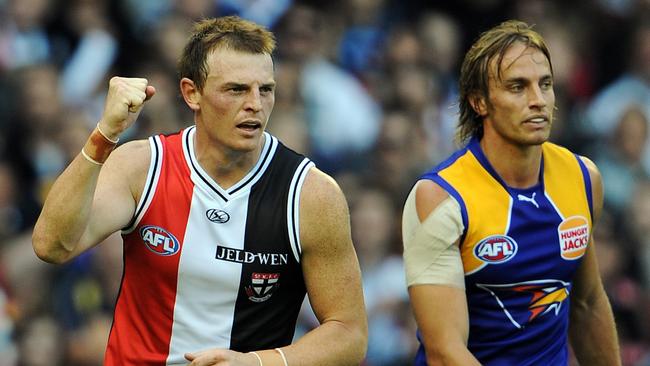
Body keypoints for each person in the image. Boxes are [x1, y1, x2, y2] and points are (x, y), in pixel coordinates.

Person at [32, 16, 367, 366]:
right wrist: (104, 134)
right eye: (236, 89)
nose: (255, 103)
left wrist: (257, 363)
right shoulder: (143, 167)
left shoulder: (309, 194)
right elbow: (52, 245)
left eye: (265, 89)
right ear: (192, 93)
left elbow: (349, 334)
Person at [402, 20, 620, 365]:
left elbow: (587, 303)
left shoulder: (583, 176)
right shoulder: (439, 198)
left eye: (545, 85)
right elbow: (445, 352)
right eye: (518, 87)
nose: (538, 101)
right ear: (479, 102)